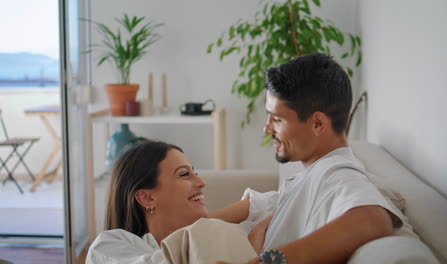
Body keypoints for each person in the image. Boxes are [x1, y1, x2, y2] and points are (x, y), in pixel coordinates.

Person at [216, 53, 407, 264]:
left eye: (277, 119)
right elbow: (265, 203)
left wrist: (263, 262)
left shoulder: (337, 173)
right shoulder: (315, 173)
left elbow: (372, 220)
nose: (266, 128)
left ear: (317, 123)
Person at [86, 140, 270, 263]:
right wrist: (251, 249)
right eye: (184, 174)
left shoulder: (225, 234)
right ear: (146, 197)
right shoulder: (107, 247)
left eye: (194, 173)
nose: (201, 182)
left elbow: (276, 200)